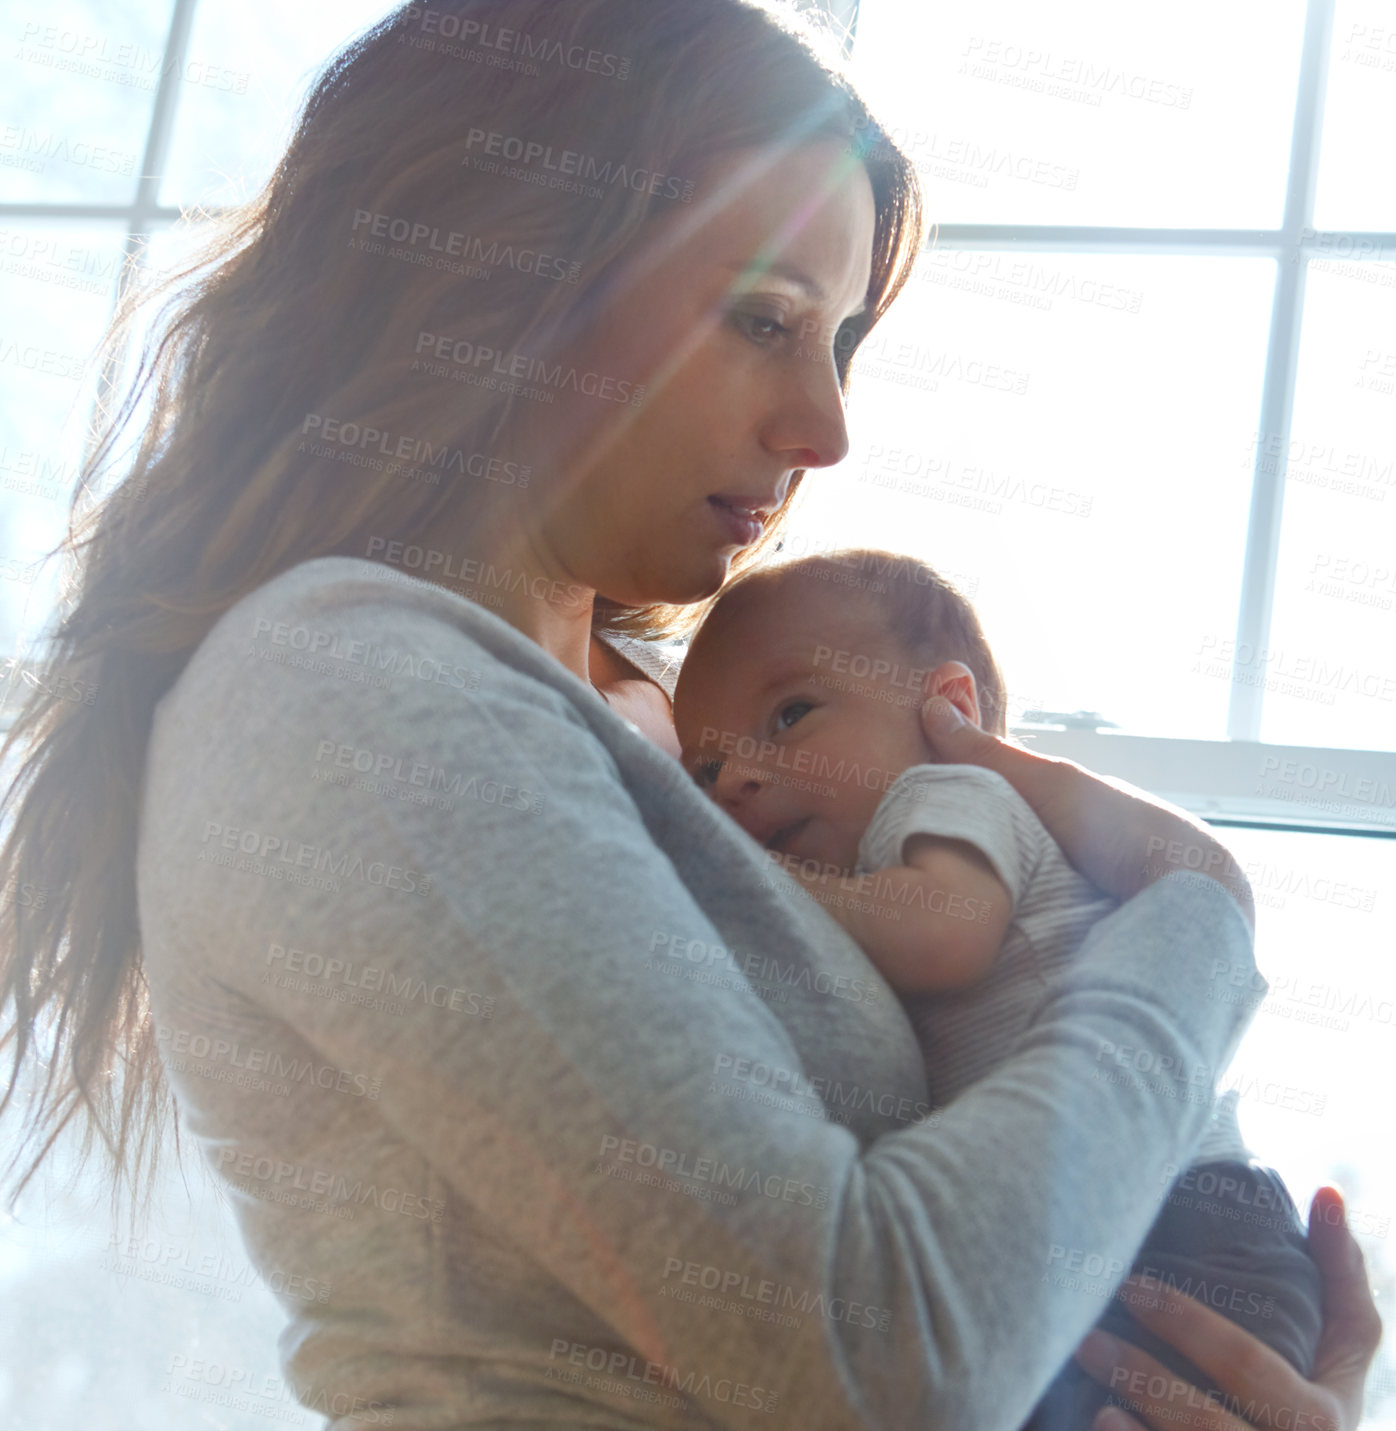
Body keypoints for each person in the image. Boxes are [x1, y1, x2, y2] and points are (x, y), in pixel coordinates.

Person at [0, 2, 1379, 1428]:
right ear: (507, 271)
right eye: (766, 319)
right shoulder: (340, 684)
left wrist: (1244, 1378)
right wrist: (1203, 914)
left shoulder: (689, 721)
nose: (827, 427)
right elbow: (876, 1356)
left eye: (840, 338)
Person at [670, 548, 1325, 1429]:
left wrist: (735, 874)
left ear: (950, 708)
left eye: (791, 714)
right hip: (1140, 1226)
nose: (737, 779)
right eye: (705, 772)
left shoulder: (945, 792)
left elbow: (944, 929)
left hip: (1183, 1223)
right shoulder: (868, 874)